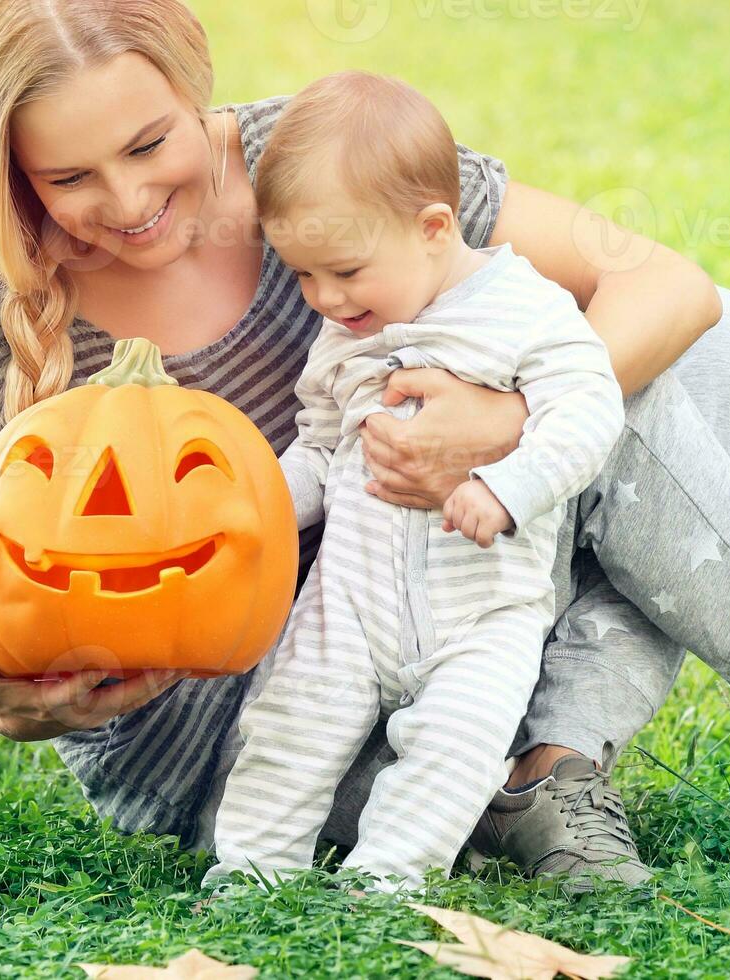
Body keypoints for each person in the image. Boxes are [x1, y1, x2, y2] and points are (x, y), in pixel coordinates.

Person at [0, 0, 730, 894]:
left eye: (150, 146)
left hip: (458, 600)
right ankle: (492, 784)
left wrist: (504, 422)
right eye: (69, 177)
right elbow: (9, 602)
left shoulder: (316, 163)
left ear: (195, 93)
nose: (128, 201)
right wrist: (10, 705)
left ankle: (552, 763)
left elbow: (667, 284)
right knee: (604, 387)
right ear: (15, 175)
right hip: (248, 716)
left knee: (699, 343)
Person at [204, 70, 630, 893]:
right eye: (301, 276)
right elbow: (322, 448)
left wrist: (509, 487)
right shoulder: (345, 331)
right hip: (351, 600)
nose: (324, 298)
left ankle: (385, 882)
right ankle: (252, 868)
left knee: (456, 744)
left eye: (345, 272)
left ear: (434, 226)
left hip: (483, 609)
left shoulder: (526, 311)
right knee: (289, 721)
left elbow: (589, 412)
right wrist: (254, 507)